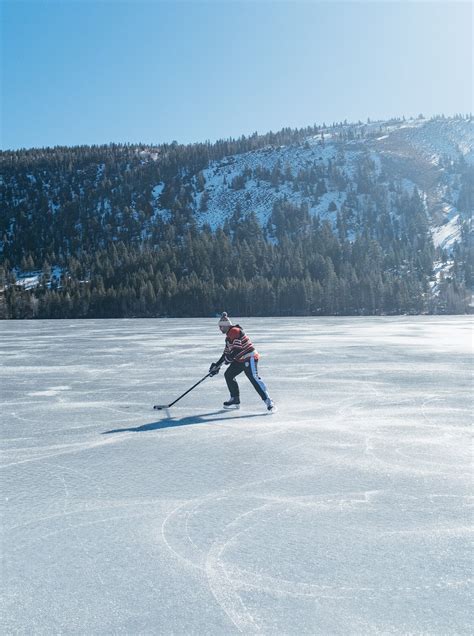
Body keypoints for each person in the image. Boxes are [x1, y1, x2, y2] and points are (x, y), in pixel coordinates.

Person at [209, 312, 276, 412]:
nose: (220, 329)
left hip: (250, 357)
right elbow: (226, 354)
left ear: (226, 326)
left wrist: (228, 359)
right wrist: (217, 365)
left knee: (253, 378)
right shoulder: (228, 337)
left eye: (221, 327)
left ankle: (269, 401)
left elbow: (237, 349)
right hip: (240, 360)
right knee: (229, 374)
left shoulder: (234, 331)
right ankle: (235, 399)